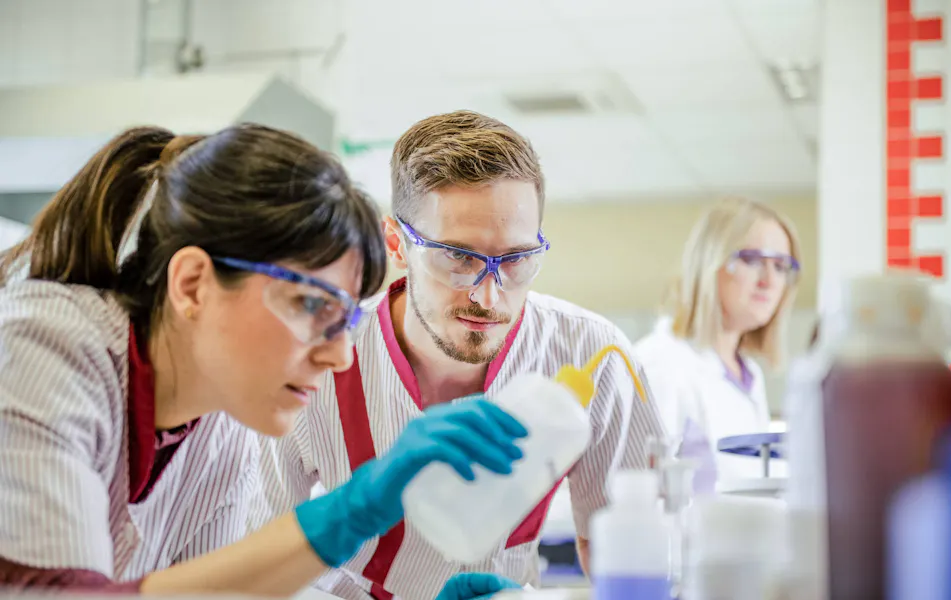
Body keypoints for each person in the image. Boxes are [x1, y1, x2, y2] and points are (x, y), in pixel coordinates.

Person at [0, 124, 527, 600]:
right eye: (312, 306)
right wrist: (345, 514)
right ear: (192, 285)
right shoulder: (40, 349)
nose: (340, 355)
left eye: (346, 319)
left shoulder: (221, 422)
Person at [252, 110, 665, 600]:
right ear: (397, 245)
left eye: (516, 260)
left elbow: (627, 557)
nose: (489, 297)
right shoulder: (315, 359)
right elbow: (253, 568)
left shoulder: (593, 355)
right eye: (458, 257)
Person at [633, 197, 801, 490]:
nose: (769, 281)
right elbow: (640, 494)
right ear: (709, 263)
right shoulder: (661, 363)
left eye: (780, 266)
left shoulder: (749, 375)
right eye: (752, 260)